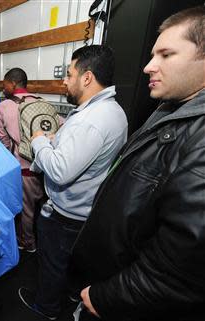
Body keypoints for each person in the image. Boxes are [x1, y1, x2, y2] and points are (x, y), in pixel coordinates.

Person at [68, 6, 205, 321]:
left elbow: (181, 269)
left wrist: (106, 297)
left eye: (166, 55)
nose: (148, 66)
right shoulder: (169, 110)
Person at [18, 45, 128, 320]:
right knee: (70, 265)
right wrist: (58, 142)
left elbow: (59, 171)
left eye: (69, 74)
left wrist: (39, 141)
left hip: (66, 215)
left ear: (87, 77)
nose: (65, 81)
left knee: (52, 264)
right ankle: (69, 296)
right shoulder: (111, 111)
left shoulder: (92, 120)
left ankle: (46, 308)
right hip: (86, 210)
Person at [0, 67, 45, 253]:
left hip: (21, 168)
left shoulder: (4, 106)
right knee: (38, 205)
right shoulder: (40, 101)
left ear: (13, 84)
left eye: (5, 84)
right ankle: (37, 235)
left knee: (26, 210)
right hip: (43, 165)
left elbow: (3, 139)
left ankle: (27, 243)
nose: (3, 87)